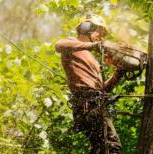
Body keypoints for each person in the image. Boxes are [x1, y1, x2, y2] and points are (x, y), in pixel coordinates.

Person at [55, 14, 124, 154]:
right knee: (111, 145)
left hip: (95, 102)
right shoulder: (72, 44)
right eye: (100, 32)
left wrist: (119, 72)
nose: (102, 37)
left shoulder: (92, 58)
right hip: (86, 101)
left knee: (101, 148)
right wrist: (93, 45)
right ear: (87, 28)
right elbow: (59, 45)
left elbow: (103, 88)